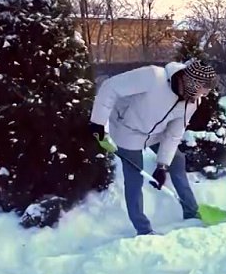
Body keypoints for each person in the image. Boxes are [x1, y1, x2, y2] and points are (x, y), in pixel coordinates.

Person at [89, 59, 218, 236]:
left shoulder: (192, 102)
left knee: (177, 160)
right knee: (134, 179)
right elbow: (110, 87)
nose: (202, 95)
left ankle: (191, 211)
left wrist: (162, 166)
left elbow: (173, 134)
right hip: (128, 130)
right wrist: (98, 122)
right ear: (191, 83)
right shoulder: (152, 77)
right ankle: (144, 229)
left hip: (156, 132)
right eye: (201, 90)